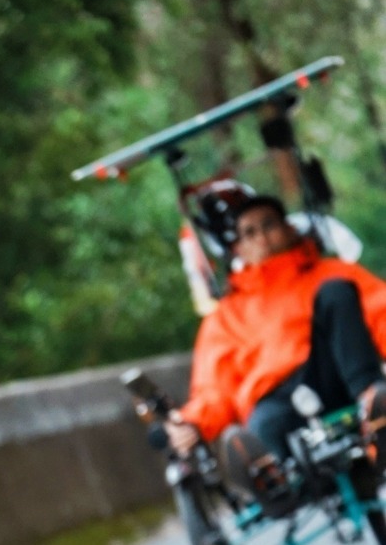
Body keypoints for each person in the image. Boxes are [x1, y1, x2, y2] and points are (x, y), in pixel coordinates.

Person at [165, 188, 386, 486]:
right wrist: (193, 422)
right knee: (263, 427)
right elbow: (214, 386)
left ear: (289, 229)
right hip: (276, 399)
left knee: (336, 292)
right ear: (238, 248)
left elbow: (381, 314)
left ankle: (375, 408)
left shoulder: (334, 273)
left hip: (335, 377)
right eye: (249, 232)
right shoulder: (226, 315)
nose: (262, 237)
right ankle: (270, 485)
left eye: (269, 224)